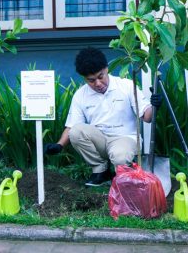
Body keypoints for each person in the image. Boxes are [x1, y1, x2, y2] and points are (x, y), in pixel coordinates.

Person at [44, 47, 162, 187]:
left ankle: (123, 172)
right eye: (91, 80)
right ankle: (100, 171)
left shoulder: (126, 86)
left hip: (125, 139)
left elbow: (147, 117)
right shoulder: (80, 95)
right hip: (100, 140)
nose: (98, 84)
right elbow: (72, 126)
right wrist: (59, 145)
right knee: (76, 132)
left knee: (120, 156)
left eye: (101, 77)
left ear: (106, 69)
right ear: (84, 78)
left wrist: (154, 106)